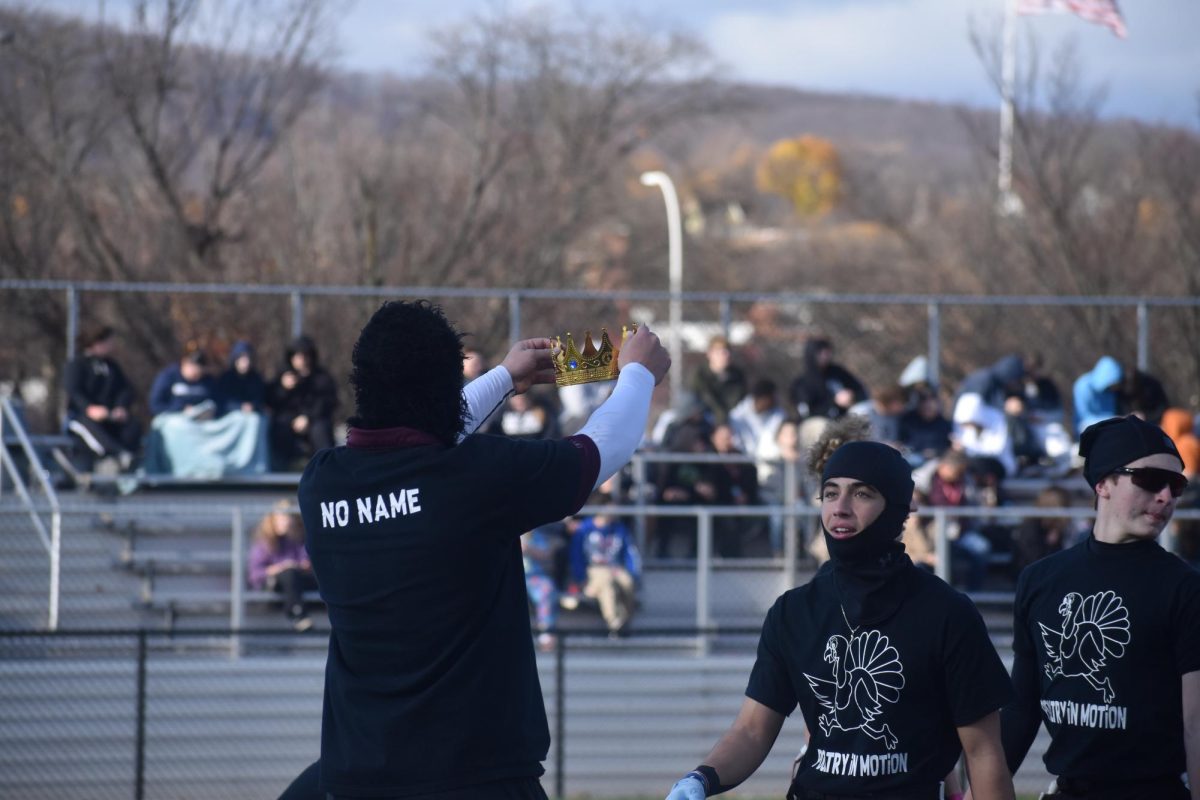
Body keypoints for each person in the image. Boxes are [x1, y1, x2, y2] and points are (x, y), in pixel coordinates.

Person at [281, 300, 670, 800]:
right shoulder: (473, 476)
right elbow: (599, 451)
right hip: (476, 777)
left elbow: (416, 439)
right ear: (445, 385)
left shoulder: (321, 483)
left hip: (358, 774)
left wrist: (506, 377)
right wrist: (637, 372)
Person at [664, 436, 1014, 800]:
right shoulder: (792, 611)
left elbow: (983, 752)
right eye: (830, 494)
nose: (840, 508)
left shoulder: (948, 613)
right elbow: (752, 731)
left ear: (896, 508)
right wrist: (700, 779)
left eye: (861, 494)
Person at [1000, 415, 1200, 800]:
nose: (1165, 497)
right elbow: (1020, 710)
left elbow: (1196, 724)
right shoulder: (1040, 579)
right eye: (1149, 480)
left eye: (1176, 486)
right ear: (1103, 483)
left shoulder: (1185, 589)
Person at [63, 324, 141, 470]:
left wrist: (121, 407)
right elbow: (74, 391)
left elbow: (125, 389)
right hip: (80, 417)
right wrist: (89, 408)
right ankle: (116, 456)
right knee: (92, 430)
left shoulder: (112, 366)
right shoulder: (77, 365)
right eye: (109, 342)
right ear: (97, 342)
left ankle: (131, 459)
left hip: (109, 416)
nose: (112, 346)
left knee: (132, 426)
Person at [568, 495, 642, 636]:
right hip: (594, 569)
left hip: (615, 567)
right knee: (606, 583)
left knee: (627, 582)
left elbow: (629, 552)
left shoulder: (619, 529)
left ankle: (625, 621)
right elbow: (576, 556)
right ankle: (615, 624)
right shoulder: (584, 529)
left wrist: (633, 572)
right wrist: (581, 578)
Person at [266, 334, 338, 470]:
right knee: (279, 427)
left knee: (320, 430)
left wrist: (308, 417)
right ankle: (281, 466)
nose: (301, 360)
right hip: (288, 420)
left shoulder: (321, 377)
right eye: (297, 356)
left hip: (313, 420)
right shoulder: (284, 376)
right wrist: (283, 388)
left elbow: (327, 401)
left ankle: (326, 468)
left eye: (305, 356)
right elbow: (272, 401)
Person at [247, 499, 318, 631]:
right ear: (273, 519)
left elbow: (306, 562)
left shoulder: (298, 538)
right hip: (272, 587)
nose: (285, 521)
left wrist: (298, 565)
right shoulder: (264, 542)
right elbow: (255, 574)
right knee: (288, 574)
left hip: (297, 582)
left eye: (288, 517)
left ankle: (298, 612)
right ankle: (297, 613)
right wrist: (280, 568)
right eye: (281, 517)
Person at [790, 337, 867, 420]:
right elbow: (807, 412)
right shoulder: (802, 383)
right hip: (820, 422)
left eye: (827, 352)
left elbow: (860, 390)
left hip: (846, 416)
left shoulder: (838, 372)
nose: (825, 356)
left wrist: (852, 396)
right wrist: (834, 402)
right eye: (821, 352)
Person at [688, 335, 748, 425]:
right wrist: (719, 415)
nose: (726, 356)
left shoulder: (736, 375)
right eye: (721, 352)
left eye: (728, 352)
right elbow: (702, 398)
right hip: (705, 417)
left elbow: (738, 400)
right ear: (710, 354)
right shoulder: (700, 374)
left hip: (731, 419)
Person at [1071, 356, 1123, 436]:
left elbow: (1110, 413)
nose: (1113, 388)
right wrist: (1114, 419)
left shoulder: (1110, 392)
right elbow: (1084, 418)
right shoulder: (1083, 385)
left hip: (1107, 431)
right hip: (1085, 431)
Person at [216, 339, 266, 415]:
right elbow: (222, 400)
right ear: (236, 360)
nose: (246, 362)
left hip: (251, 414)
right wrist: (239, 406)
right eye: (243, 359)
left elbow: (260, 399)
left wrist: (253, 406)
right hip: (230, 415)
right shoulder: (226, 378)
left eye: (248, 359)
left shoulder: (256, 379)